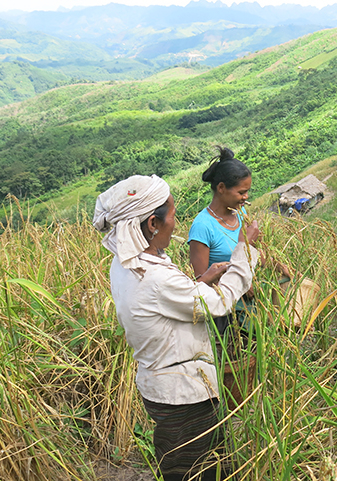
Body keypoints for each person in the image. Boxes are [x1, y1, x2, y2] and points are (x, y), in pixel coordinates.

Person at [93, 174, 259, 481]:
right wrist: (244, 250)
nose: (176, 222)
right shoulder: (154, 277)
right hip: (183, 394)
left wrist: (201, 281)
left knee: (183, 461)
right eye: (172, 215)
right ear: (153, 224)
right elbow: (220, 303)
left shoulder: (127, 263)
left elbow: (167, 304)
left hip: (163, 388)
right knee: (198, 469)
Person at [188, 146, 253, 338]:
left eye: (248, 191)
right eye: (241, 192)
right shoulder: (202, 227)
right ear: (221, 188)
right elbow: (201, 282)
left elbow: (249, 254)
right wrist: (241, 283)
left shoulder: (240, 214)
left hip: (248, 309)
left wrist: (277, 265)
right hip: (223, 316)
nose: (246, 197)